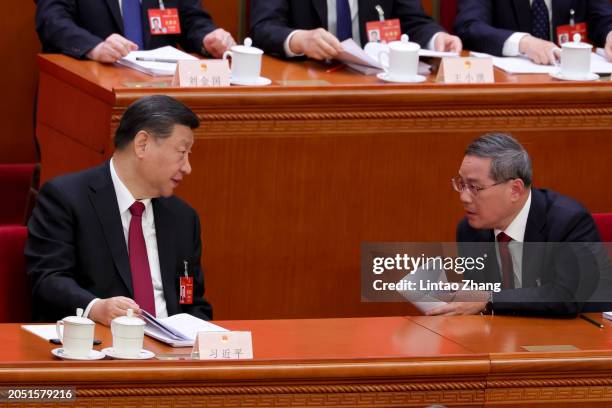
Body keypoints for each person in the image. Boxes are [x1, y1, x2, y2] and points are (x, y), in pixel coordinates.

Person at [26, 95, 212, 325]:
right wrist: (95, 308)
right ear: (142, 144)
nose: (187, 168)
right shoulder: (66, 198)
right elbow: (48, 279)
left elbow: (191, 300)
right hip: (99, 344)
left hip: (170, 354)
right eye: (182, 152)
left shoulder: (184, 218)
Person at [426, 133, 605, 317]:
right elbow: (480, 301)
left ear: (515, 190)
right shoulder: (470, 231)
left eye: (475, 187)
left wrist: (489, 299)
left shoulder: (568, 222)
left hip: (575, 336)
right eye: (461, 184)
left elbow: (566, 296)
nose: (463, 197)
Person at [250, 0, 462, 60]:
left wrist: (436, 38)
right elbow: (264, 27)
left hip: (374, 86)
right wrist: (299, 40)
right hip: (309, 82)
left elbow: (414, 21)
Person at [35, 0, 236, 62]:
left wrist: (207, 37)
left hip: (161, 95)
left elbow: (190, 18)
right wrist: (95, 47)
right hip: (91, 90)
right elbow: (51, 20)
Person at [454, 0, 612, 64]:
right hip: (509, 90)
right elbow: (469, 27)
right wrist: (523, 42)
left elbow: (603, 16)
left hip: (572, 84)